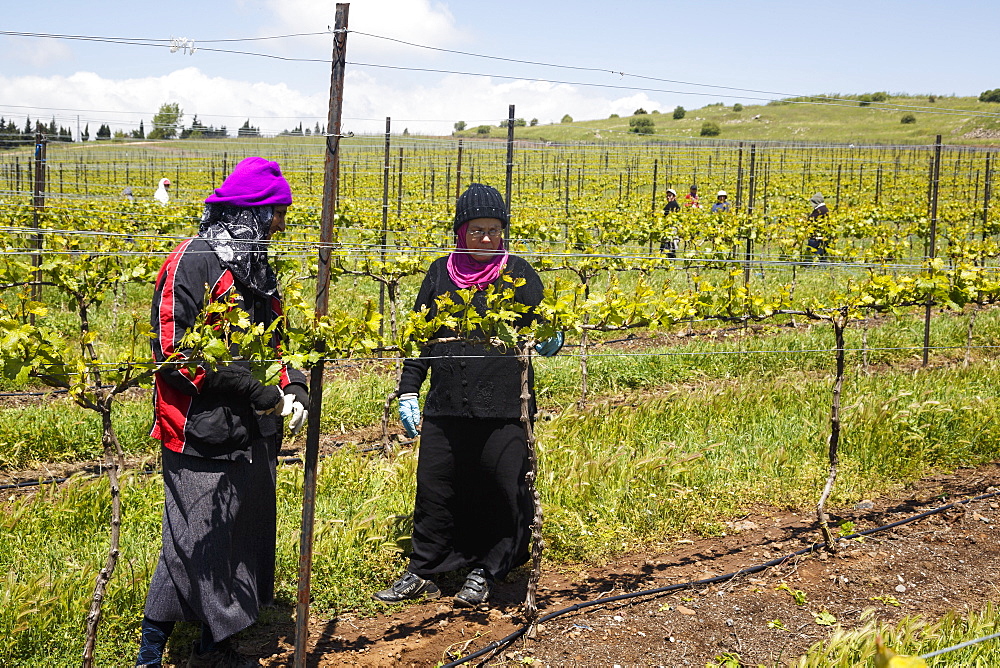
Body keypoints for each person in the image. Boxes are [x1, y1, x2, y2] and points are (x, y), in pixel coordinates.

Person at [136, 157, 309, 668]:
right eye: (277, 214)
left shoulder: (256, 267)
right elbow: (173, 351)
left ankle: (207, 645)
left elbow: (278, 342)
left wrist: (293, 387)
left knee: (232, 538)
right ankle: (163, 651)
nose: (281, 226)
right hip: (199, 430)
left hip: (253, 432)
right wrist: (257, 391)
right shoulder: (192, 259)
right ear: (255, 211)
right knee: (197, 538)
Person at [374, 183, 563, 609]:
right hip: (447, 403)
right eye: (478, 230)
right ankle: (425, 569)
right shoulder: (440, 274)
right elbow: (420, 339)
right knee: (436, 488)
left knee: (500, 487)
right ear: (461, 231)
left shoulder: (518, 272)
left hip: (504, 406)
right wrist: (408, 389)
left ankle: (488, 568)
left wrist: (554, 338)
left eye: (495, 230)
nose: (487, 239)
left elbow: (545, 323)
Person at [806, 192, 830, 260]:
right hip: (820, 235)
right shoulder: (823, 209)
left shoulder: (820, 210)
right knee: (821, 251)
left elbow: (812, 220)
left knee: (812, 252)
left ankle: (809, 265)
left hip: (817, 236)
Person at [660, 188, 681, 257]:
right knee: (669, 242)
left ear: (674, 197)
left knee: (670, 242)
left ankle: (670, 256)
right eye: (667, 196)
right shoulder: (670, 204)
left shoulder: (673, 205)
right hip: (668, 226)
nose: (668, 197)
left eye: (670, 196)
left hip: (672, 226)